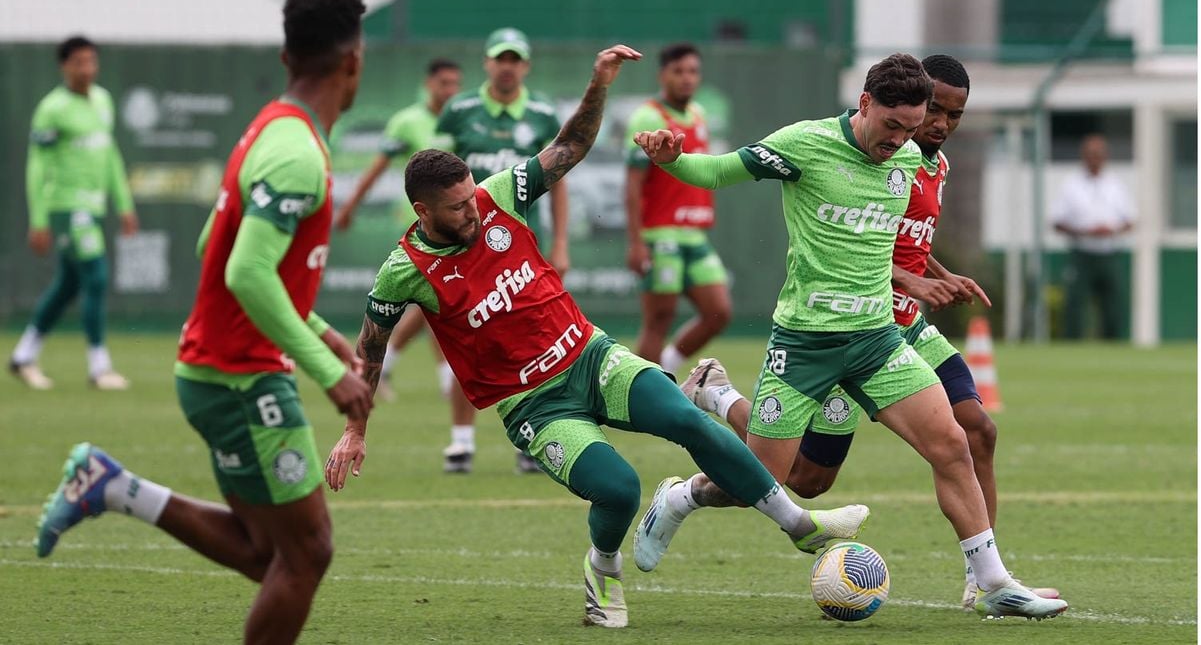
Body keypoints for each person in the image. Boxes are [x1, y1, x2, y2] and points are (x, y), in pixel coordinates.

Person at [323, 44, 870, 629]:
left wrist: (600, 82)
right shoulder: (404, 268)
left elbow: (570, 148)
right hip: (535, 402)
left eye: (471, 198)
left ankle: (799, 526)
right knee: (619, 489)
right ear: (421, 211)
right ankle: (602, 570)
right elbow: (371, 347)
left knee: (687, 420)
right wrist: (355, 430)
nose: (473, 212)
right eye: (456, 208)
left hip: (590, 355)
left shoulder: (498, 196)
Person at [631, 53, 1069, 621]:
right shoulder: (804, 145)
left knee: (954, 443)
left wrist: (921, 275)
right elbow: (717, 172)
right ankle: (680, 496)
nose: (902, 141)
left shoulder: (910, 158)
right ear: (865, 104)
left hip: (877, 341)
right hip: (806, 345)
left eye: (913, 129)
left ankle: (994, 582)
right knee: (765, 481)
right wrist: (674, 160)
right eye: (893, 126)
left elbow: (890, 241)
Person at [35, 0, 374, 644]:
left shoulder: (271, 127)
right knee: (307, 556)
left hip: (215, 375)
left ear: (284, 57)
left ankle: (112, 485)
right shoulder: (297, 152)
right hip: (242, 380)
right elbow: (244, 270)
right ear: (354, 62)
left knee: (264, 553)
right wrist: (327, 372)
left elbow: (212, 251)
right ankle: (109, 485)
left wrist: (320, 329)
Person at [433, 27, 570, 473]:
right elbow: (435, 179)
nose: (507, 66)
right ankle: (460, 441)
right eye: (500, 58)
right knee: (466, 339)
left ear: (525, 66)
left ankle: (533, 438)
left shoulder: (544, 113)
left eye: (516, 59)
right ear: (487, 64)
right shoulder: (460, 111)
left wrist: (562, 242)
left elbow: (559, 181)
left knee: (532, 341)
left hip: (524, 244)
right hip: (464, 246)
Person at [9, 36, 138, 391]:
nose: (87, 69)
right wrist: (38, 219)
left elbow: (109, 155)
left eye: (91, 61)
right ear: (64, 66)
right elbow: (37, 164)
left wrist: (123, 204)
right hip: (66, 206)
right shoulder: (52, 109)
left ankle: (23, 357)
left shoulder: (102, 101)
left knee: (67, 286)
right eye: (79, 62)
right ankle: (100, 367)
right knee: (95, 275)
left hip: (94, 206)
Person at [334, 58, 463, 404]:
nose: (449, 91)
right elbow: (377, 169)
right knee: (436, 298)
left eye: (455, 84)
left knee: (432, 300)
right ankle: (447, 378)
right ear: (429, 84)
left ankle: (389, 366)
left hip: (456, 228)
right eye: (443, 83)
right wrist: (349, 208)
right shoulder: (408, 122)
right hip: (420, 230)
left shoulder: (462, 119)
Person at [624, 43, 731, 375]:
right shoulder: (648, 116)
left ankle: (667, 367)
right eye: (679, 71)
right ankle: (638, 396)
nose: (687, 79)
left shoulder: (698, 114)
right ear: (663, 75)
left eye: (693, 72)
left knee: (719, 312)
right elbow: (632, 184)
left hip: (695, 234)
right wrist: (637, 241)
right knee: (659, 319)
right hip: (660, 234)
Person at [1051, 133, 1134, 340]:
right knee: (1076, 303)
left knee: (1113, 304)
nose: (1095, 158)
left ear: (1105, 156)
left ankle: (1113, 346)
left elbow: (1130, 219)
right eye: (1090, 154)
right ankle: (1073, 345)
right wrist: (1085, 231)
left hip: (1108, 252)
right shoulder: (1071, 184)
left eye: (1098, 154)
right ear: (1083, 156)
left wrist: (1111, 229)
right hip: (1082, 252)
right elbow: (1057, 221)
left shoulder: (1115, 184)